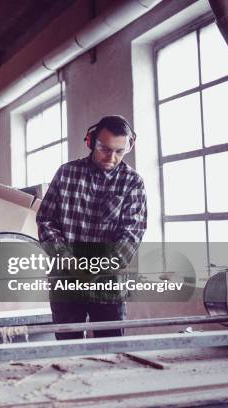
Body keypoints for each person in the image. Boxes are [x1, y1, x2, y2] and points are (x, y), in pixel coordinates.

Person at [36, 115, 147, 340]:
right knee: (68, 352)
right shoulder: (66, 173)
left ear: (129, 146)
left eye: (119, 151)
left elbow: (132, 233)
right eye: (104, 149)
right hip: (65, 284)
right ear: (91, 141)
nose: (112, 157)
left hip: (109, 287)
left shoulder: (133, 182)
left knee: (111, 354)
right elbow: (46, 220)